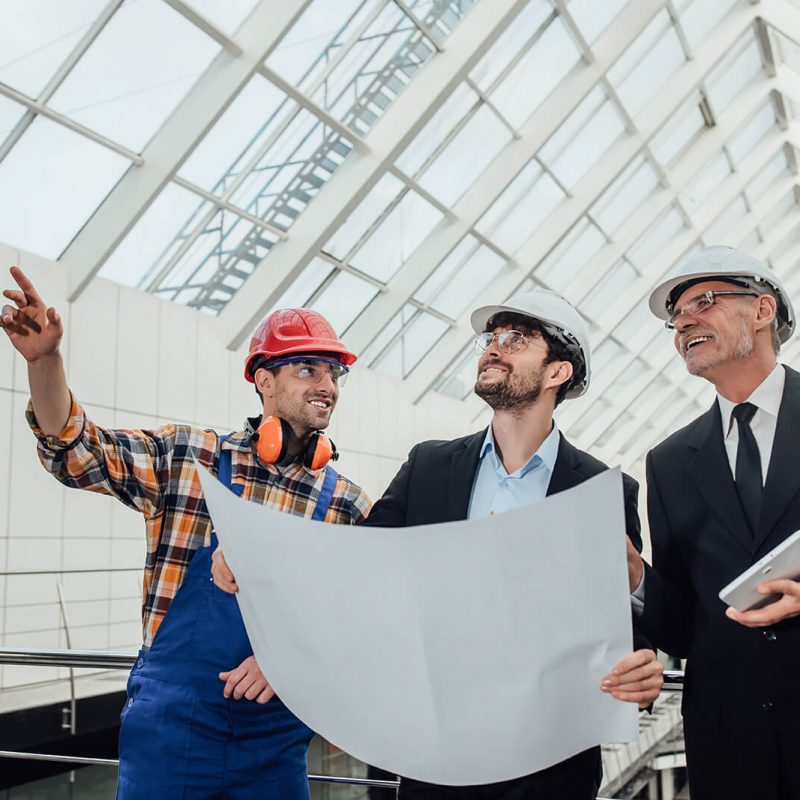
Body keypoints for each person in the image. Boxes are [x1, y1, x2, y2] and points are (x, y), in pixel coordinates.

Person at [213, 287, 664, 799]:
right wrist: (260, 561)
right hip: (437, 763)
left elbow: (624, 629)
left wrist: (641, 670)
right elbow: (355, 571)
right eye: (491, 338)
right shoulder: (428, 468)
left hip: (551, 770)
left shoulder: (603, 491)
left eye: (516, 339)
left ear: (558, 372)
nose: (493, 347)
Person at [0, 266, 370, 800]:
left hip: (275, 743)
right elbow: (79, 451)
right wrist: (45, 361)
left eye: (334, 374)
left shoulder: (347, 504)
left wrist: (290, 661)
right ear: (264, 380)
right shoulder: (190, 458)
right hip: (172, 735)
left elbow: (367, 620)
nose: (327, 386)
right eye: (308, 370)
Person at [626, 245, 800, 800]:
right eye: (676, 317)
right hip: (729, 751)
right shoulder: (670, 461)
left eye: (703, 302)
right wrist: (635, 576)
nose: (683, 323)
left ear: (762, 310)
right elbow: (683, 625)